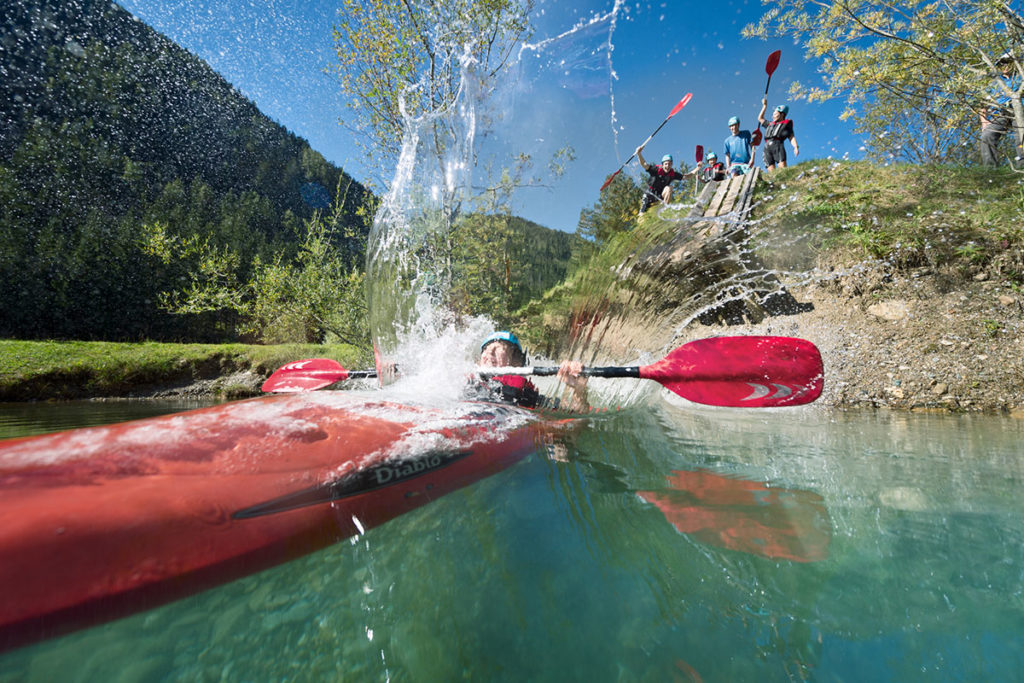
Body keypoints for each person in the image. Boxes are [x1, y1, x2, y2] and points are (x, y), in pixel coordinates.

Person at [466, 331, 589, 411]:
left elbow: (576, 412)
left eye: (498, 348)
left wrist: (579, 389)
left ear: (517, 363)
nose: (489, 353)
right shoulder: (464, 380)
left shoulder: (523, 394)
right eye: (486, 349)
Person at [981, 53, 1023, 168]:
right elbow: (982, 104)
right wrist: (984, 123)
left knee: (1021, 138)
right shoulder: (995, 82)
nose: (1005, 66)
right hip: (1000, 112)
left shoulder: (1021, 77)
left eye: (1007, 62)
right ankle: (991, 170)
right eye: (1001, 64)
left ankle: (1022, 167)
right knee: (987, 135)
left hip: (1019, 110)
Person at [636, 145, 685, 213]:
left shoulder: (673, 174)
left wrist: (698, 168)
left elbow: (687, 176)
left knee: (669, 188)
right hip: (649, 196)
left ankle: (664, 211)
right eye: (666, 164)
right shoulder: (656, 170)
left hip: (659, 197)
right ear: (662, 164)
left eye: (670, 164)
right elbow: (644, 164)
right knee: (642, 216)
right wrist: (639, 154)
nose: (668, 166)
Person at [758, 97, 799, 170]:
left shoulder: (786, 123)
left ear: (782, 114)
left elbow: (791, 137)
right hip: (767, 147)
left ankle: (785, 180)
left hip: (778, 145)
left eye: (775, 113)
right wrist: (764, 106)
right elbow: (760, 118)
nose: (773, 116)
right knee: (771, 171)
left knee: (782, 168)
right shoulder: (769, 124)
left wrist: (795, 147)